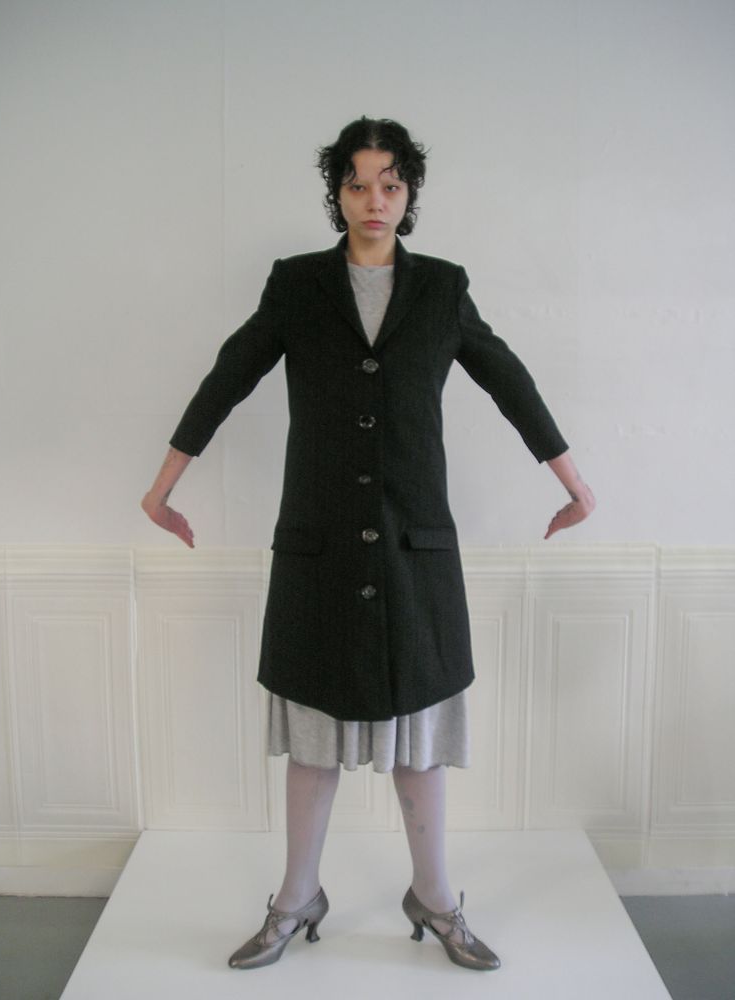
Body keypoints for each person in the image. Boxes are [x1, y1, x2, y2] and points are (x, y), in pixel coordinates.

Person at [141, 117, 596, 972]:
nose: (374, 199)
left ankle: (436, 897)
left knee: (418, 744)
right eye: (357, 183)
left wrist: (574, 483)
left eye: (390, 183)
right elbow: (229, 374)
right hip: (319, 551)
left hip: (413, 551)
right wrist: (163, 486)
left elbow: (508, 378)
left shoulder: (443, 290)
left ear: (409, 192)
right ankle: (295, 898)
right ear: (337, 194)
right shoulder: (297, 286)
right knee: (313, 743)